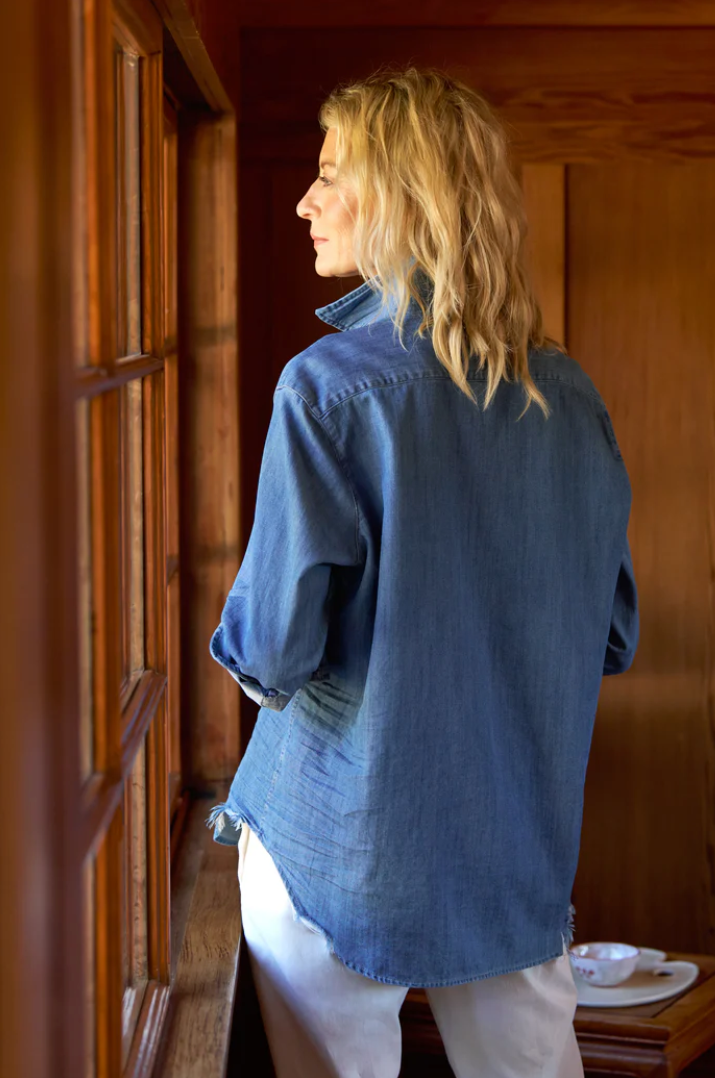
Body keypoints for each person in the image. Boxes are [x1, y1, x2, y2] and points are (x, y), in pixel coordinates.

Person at [206, 65, 638, 1078]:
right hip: (510, 844)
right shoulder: (571, 397)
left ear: (399, 198)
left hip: (334, 845)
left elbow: (270, 653)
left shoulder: (326, 392)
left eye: (328, 175)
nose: (305, 200)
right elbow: (610, 637)